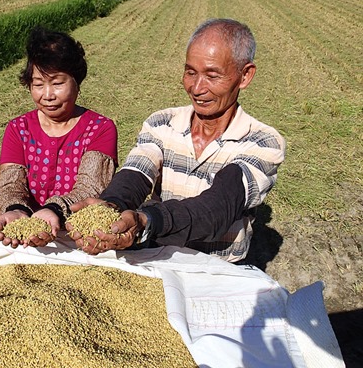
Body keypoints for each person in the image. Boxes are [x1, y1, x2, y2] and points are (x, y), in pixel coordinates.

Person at [67, 18, 286, 263]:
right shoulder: (162, 122)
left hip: (216, 269)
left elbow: (218, 206)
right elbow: (137, 171)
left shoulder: (262, 142)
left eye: (212, 76)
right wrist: (112, 204)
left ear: (245, 76)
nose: (197, 88)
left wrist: (147, 220)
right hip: (156, 259)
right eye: (190, 72)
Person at [0, 27, 118, 248]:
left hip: (78, 234)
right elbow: (10, 184)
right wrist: (16, 210)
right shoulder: (18, 129)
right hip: (26, 232)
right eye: (38, 84)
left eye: (58, 83)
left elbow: (91, 187)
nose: (48, 95)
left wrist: (54, 210)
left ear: (77, 83)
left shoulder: (101, 128)